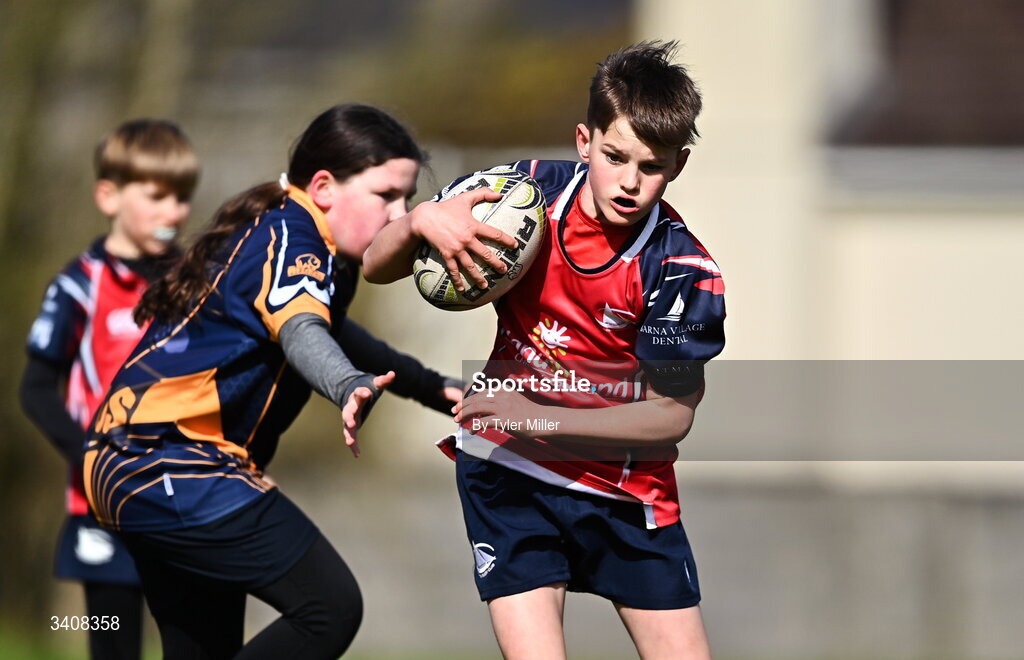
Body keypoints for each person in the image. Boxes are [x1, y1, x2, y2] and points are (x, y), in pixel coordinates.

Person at [363, 42, 726, 659]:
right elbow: (374, 264)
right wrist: (422, 221)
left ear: (679, 165)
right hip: (510, 473)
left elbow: (669, 417)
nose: (630, 182)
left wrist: (534, 419)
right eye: (614, 157)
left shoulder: (682, 271)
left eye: (652, 165)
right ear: (584, 141)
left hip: (625, 491)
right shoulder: (520, 195)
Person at [82, 104, 465, 659]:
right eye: (385, 195)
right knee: (328, 607)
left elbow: (340, 332)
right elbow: (304, 331)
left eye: (407, 199)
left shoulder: (295, 238)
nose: (398, 214)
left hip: (133, 463)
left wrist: (437, 389)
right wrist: (344, 383)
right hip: (171, 460)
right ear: (325, 186)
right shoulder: (293, 233)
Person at [20, 118, 199, 660]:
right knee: (114, 645)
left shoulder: (194, 281)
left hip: (187, 498)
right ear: (108, 195)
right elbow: (35, 391)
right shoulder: (78, 285)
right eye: (157, 196)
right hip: (103, 508)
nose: (174, 213)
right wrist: (92, 458)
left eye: (184, 198)